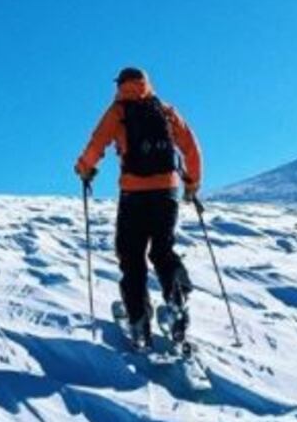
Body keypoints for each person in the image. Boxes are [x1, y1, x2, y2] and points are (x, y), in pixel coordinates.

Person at [74, 67, 202, 347]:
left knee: (132, 257)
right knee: (163, 250)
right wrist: (191, 183)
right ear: (146, 83)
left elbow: (98, 142)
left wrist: (84, 169)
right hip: (166, 191)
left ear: (120, 85)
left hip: (134, 194)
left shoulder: (118, 111)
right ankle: (176, 299)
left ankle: (138, 321)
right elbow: (190, 145)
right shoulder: (165, 110)